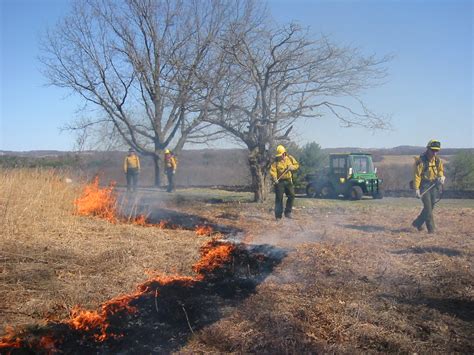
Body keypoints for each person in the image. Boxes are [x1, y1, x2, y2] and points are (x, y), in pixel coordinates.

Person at [411, 139, 445, 234]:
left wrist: (441, 176)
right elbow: (417, 175)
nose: (434, 153)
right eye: (433, 150)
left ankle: (417, 223)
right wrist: (417, 189)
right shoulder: (421, 161)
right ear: (428, 149)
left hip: (434, 185)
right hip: (423, 186)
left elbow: (440, 170)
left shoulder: (438, 160)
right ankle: (431, 230)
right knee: (428, 208)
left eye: (436, 151)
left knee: (430, 206)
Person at [270, 144, 299, 220]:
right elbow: (273, 171)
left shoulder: (290, 158)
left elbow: (296, 165)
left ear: (284, 153)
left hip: (288, 180)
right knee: (279, 198)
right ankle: (278, 216)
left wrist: (292, 167)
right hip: (279, 182)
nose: (280, 156)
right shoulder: (276, 161)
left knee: (292, 195)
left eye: (281, 154)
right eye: (279, 155)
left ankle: (288, 212)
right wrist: (275, 178)